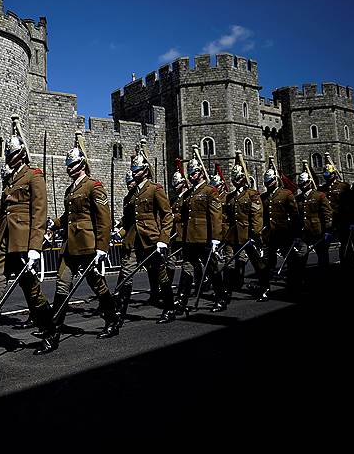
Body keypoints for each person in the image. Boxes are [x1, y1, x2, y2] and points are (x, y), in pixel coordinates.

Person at [0, 115, 58, 355]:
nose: (8, 158)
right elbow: (5, 216)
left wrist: (35, 246)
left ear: (21, 154)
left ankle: (50, 331)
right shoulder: (9, 181)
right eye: (7, 155)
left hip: (23, 243)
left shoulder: (34, 176)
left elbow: (39, 212)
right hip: (4, 241)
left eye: (11, 154)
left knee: (31, 289)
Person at [44, 134, 120, 352]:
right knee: (62, 284)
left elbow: (104, 219)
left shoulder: (93, 186)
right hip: (70, 245)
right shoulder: (70, 190)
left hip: (87, 244)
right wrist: (54, 223)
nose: (69, 169)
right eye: (68, 165)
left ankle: (112, 319)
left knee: (97, 284)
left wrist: (102, 248)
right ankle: (54, 332)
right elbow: (69, 217)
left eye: (73, 165)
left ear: (82, 164)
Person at [115, 145, 175, 322]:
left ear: (145, 170)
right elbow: (127, 220)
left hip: (151, 237)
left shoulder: (154, 189)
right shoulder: (131, 196)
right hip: (133, 239)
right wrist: (122, 232)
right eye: (133, 169)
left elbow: (167, 215)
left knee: (160, 273)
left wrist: (163, 239)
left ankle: (169, 308)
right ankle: (120, 311)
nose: (134, 172)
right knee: (126, 273)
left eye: (138, 169)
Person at [175, 158, 224, 312]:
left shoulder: (210, 191)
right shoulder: (189, 193)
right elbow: (183, 215)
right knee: (187, 267)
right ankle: (181, 300)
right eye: (189, 173)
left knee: (211, 268)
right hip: (190, 238)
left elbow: (216, 216)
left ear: (201, 173)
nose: (191, 176)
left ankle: (220, 298)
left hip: (205, 237)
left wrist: (216, 238)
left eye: (194, 173)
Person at [221, 161, 265, 302]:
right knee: (229, 262)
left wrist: (255, 233)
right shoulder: (230, 197)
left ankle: (264, 288)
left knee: (256, 262)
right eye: (234, 179)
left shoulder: (252, 194)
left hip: (248, 234)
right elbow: (226, 216)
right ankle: (226, 291)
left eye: (239, 178)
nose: (237, 181)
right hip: (233, 235)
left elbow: (256, 215)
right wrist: (226, 232)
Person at [259, 166, 299, 301]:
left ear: (275, 180)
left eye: (270, 181)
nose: (268, 184)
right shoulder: (263, 197)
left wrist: (295, 233)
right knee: (267, 263)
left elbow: (294, 215)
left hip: (284, 232)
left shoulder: (286, 194)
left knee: (290, 260)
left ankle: (292, 285)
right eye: (266, 182)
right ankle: (265, 288)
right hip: (270, 234)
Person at [289, 171, 332, 292]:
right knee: (301, 257)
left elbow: (327, 214)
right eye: (301, 184)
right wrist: (296, 233)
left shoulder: (319, 196)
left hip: (318, 232)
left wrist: (328, 230)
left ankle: (324, 280)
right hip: (304, 234)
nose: (302, 186)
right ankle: (301, 281)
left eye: (305, 183)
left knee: (322, 257)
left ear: (309, 183)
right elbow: (296, 218)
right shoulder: (298, 199)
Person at [320, 158, 352, 267]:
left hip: (341, 219)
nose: (326, 176)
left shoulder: (343, 186)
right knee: (324, 245)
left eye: (328, 174)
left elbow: (349, 204)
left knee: (345, 243)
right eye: (325, 174)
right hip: (328, 221)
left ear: (333, 174)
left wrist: (351, 220)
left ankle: (347, 263)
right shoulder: (322, 189)